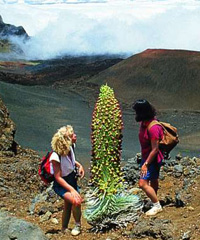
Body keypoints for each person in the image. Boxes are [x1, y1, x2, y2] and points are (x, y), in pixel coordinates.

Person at [50, 125, 85, 235]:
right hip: (62, 184)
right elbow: (58, 177)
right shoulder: (55, 156)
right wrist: (72, 190)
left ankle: (64, 228)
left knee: (68, 204)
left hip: (71, 180)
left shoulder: (71, 147)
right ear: (66, 140)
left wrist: (80, 166)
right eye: (72, 135)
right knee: (76, 201)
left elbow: (71, 161)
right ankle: (78, 225)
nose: (75, 136)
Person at [132, 99, 163, 216]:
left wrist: (146, 164)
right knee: (153, 179)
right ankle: (153, 200)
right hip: (148, 157)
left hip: (151, 159)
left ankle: (157, 205)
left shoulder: (153, 128)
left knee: (142, 183)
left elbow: (155, 149)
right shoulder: (145, 123)